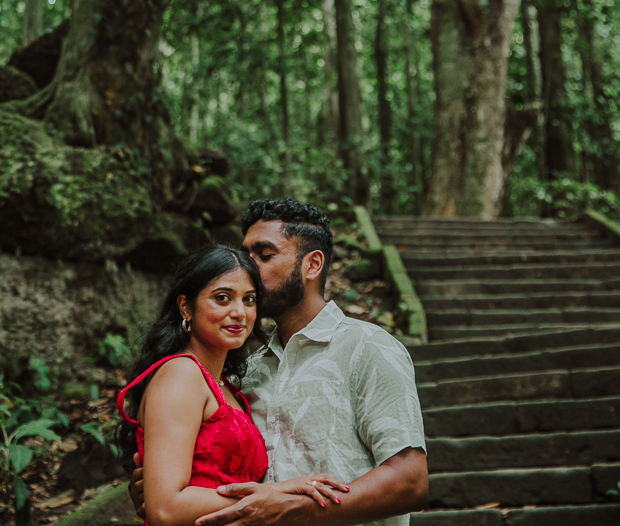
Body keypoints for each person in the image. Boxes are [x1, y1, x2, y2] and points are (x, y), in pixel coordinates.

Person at [129, 200, 428, 526]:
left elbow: (410, 482)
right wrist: (166, 488)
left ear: (312, 265)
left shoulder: (369, 349)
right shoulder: (244, 373)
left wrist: (292, 505)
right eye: (246, 253)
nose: (247, 266)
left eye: (264, 254)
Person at [118, 243, 347, 526]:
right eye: (223, 297)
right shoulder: (181, 374)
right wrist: (278, 494)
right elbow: (166, 508)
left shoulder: (226, 385)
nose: (239, 311)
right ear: (186, 306)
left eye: (249, 299)